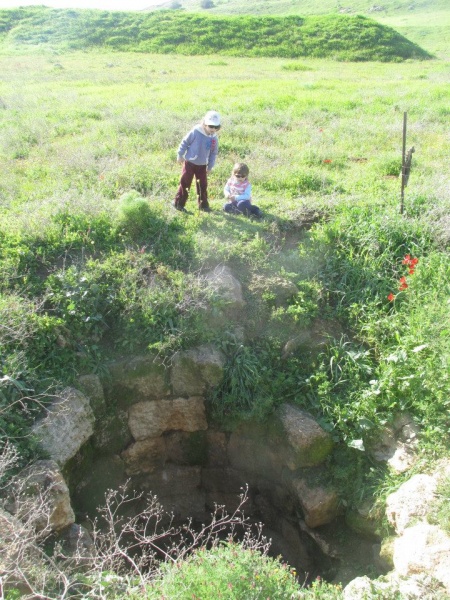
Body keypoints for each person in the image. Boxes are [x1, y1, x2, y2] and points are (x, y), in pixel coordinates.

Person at [173, 110, 221, 213]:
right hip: (190, 163)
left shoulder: (214, 139)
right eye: (211, 126)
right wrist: (180, 154)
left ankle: (203, 205)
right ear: (204, 123)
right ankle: (178, 203)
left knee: (203, 185)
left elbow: (213, 153)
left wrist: (210, 166)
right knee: (185, 183)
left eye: (216, 127)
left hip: (202, 165)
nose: (213, 129)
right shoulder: (196, 132)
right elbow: (185, 142)